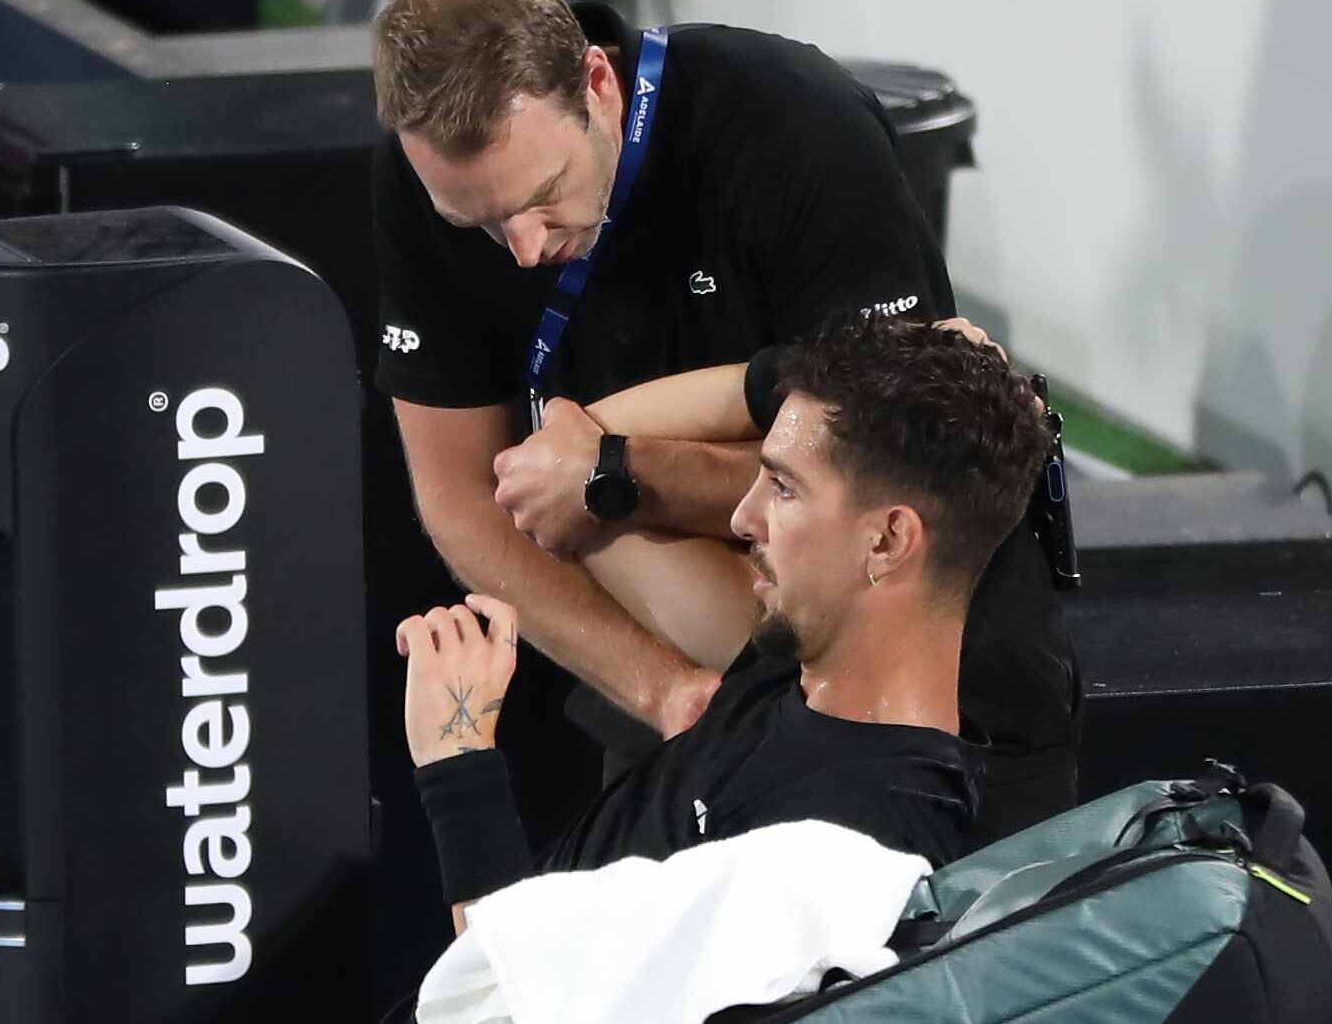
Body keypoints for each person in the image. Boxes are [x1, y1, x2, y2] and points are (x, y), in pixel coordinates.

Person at [369, 0, 1077, 831]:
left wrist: (615, 473)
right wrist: (664, 689)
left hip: (945, 704)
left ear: (598, 83)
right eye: (475, 221)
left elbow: (905, 474)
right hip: (690, 706)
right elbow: (461, 496)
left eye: (543, 195)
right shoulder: (428, 178)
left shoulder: (792, 128)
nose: (522, 246)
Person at [397, 317, 1051, 936]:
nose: (742, 517)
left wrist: (456, 754)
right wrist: (886, 354)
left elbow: (506, 998)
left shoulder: (843, 840)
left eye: (784, 488)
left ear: (886, 540)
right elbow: (555, 455)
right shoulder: (793, 667)